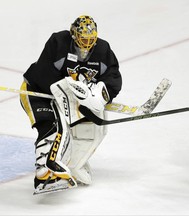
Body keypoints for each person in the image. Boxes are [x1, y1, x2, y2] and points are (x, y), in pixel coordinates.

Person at [20, 15, 122, 194]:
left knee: (83, 127)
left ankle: (72, 163)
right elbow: (43, 72)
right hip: (36, 92)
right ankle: (44, 174)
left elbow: (113, 76)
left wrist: (101, 92)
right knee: (51, 126)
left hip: (65, 97)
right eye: (83, 39)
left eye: (91, 39)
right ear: (74, 35)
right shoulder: (58, 42)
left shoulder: (103, 49)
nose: (87, 43)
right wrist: (73, 89)